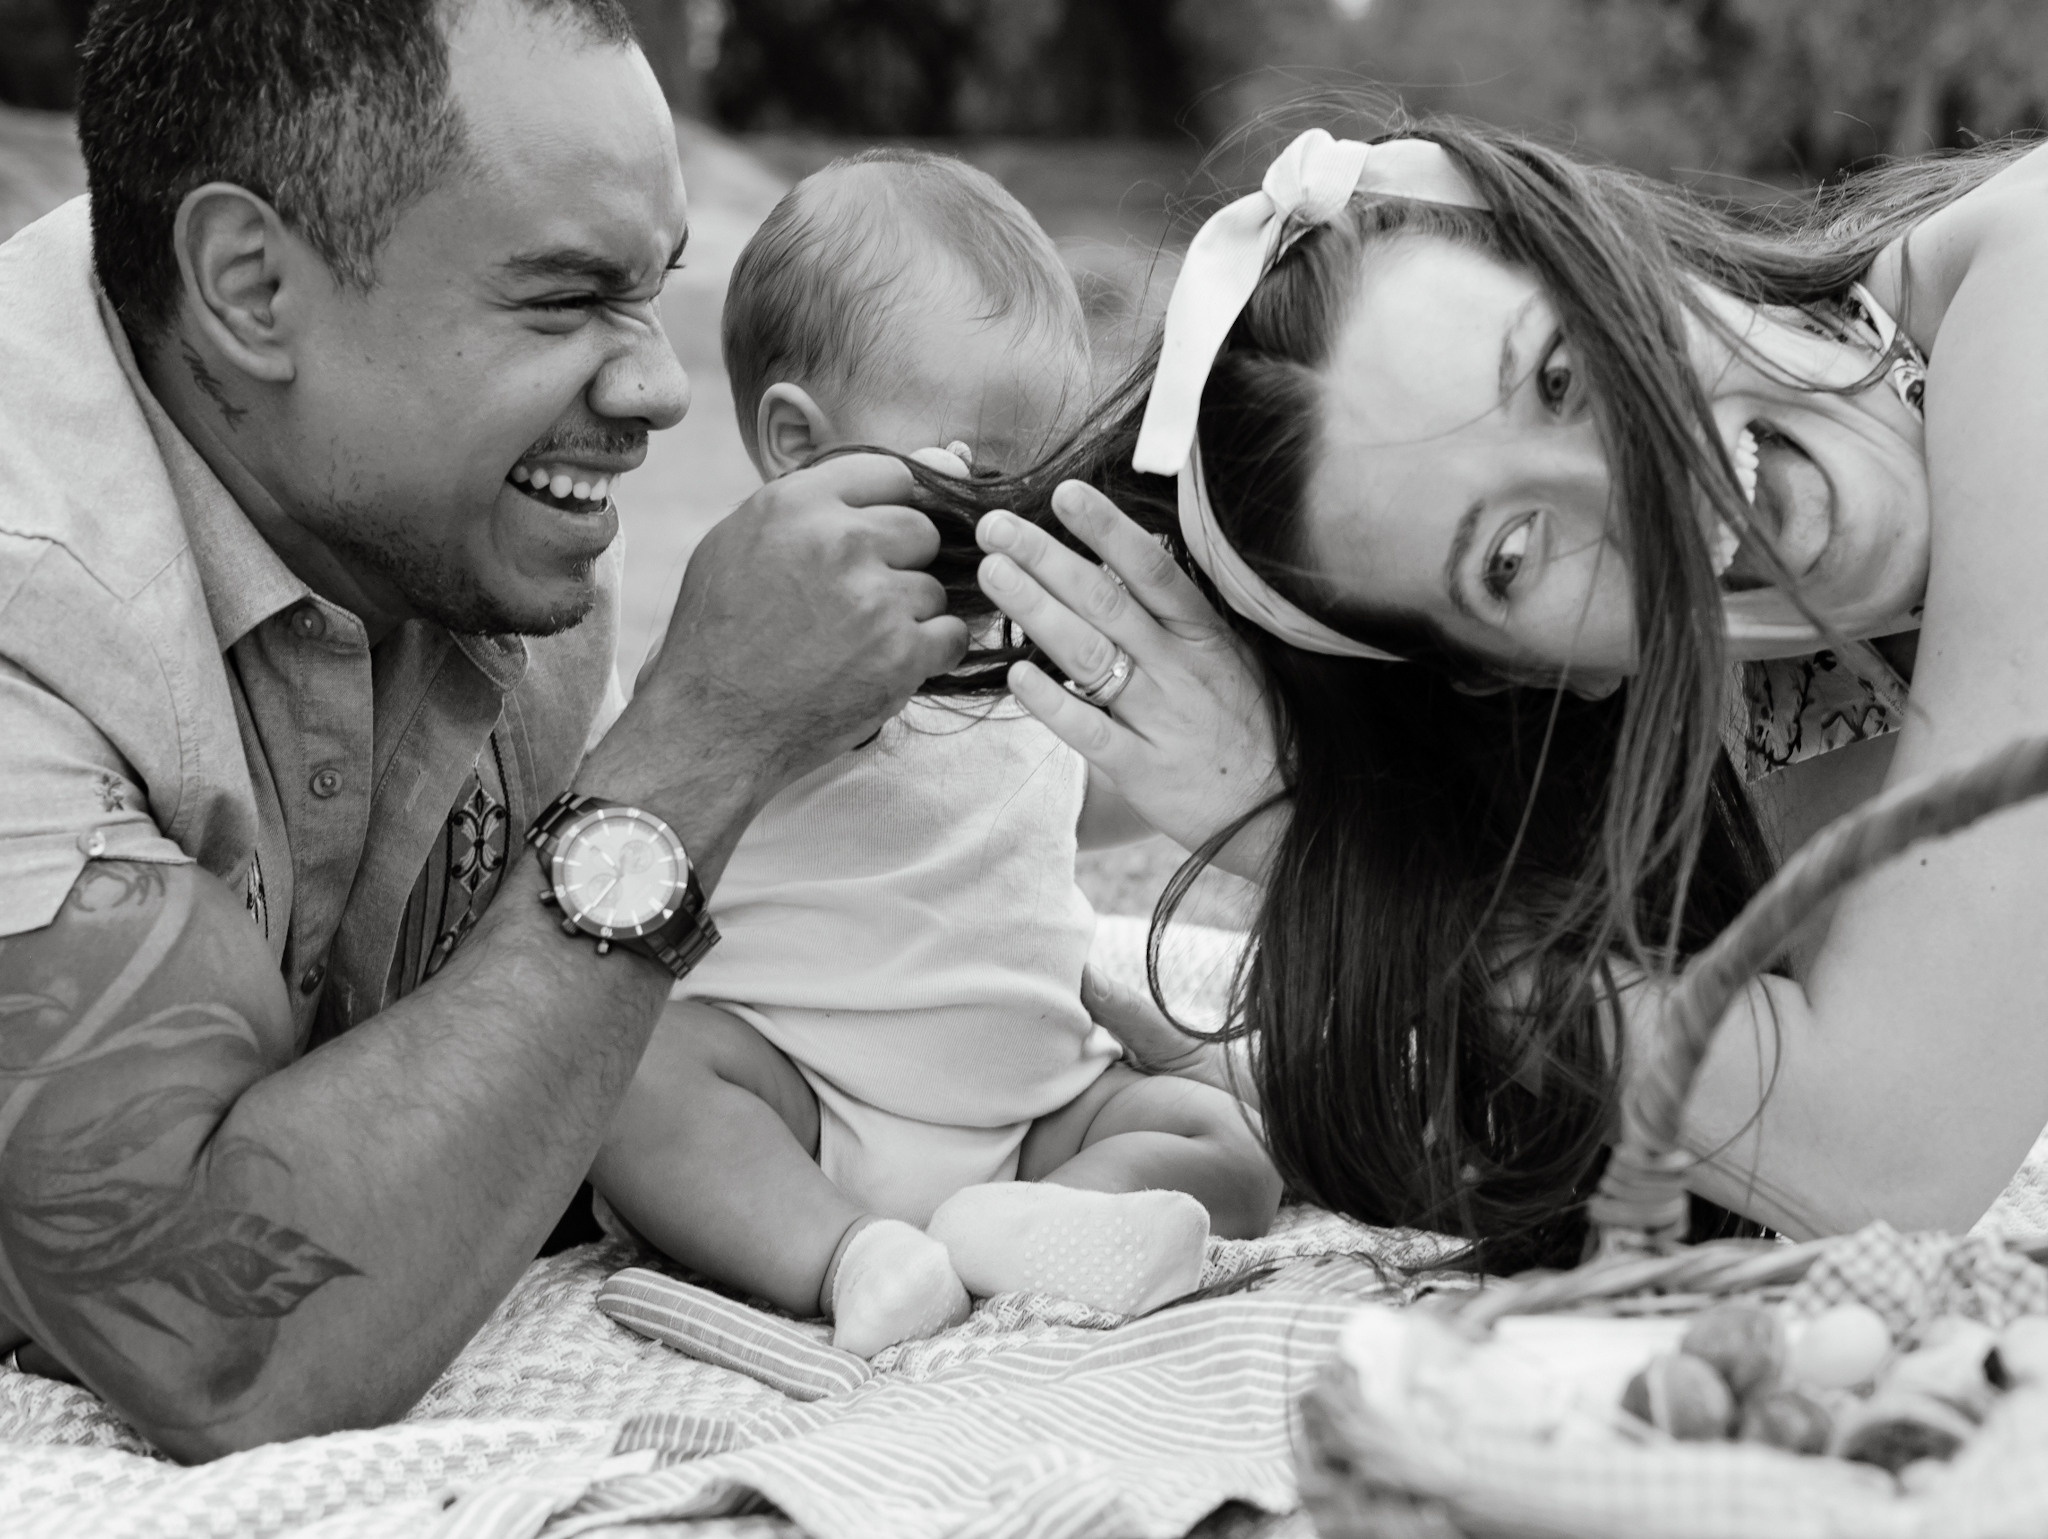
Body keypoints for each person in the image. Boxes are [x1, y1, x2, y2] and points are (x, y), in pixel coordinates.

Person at [0, 0, 969, 1460]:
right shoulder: (29, 598)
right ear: (252, 286)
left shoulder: (459, 510)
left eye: (652, 292)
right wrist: (696, 746)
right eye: (564, 299)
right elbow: (231, 1344)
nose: (654, 386)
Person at [943, 118, 2048, 1267]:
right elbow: (1794, 1131)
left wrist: (1311, 843)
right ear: (1539, 672)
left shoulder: (2024, 310)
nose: (1644, 489)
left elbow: (1886, 1146)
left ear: (1619, 251)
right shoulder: (1808, 702)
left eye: (1560, 376)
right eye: (1510, 559)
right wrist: (1320, 827)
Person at [590, 150, 1280, 1359]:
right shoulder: (764, 641)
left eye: (1049, 482)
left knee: (1224, 1142)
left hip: (1032, 1110)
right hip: (796, 1092)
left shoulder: (1010, 644)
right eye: (975, 487)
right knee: (631, 1082)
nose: (1009, 532)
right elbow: (717, 760)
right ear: (802, 453)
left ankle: (1014, 1229)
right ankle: (849, 1256)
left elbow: (1076, 800)